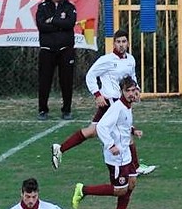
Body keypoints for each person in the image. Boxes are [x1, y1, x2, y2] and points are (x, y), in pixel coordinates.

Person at [50, 29, 156, 175]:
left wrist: (136, 90)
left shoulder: (131, 60)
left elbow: (132, 77)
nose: (121, 45)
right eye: (118, 42)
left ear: (128, 43)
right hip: (111, 102)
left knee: (92, 131)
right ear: (114, 43)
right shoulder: (106, 60)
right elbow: (90, 76)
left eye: (124, 41)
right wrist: (97, 95)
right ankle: (135, 167)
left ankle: (60, 148)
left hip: (118, 103)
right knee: (126, 132)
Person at [71, 75, 142, 209]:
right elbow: (102, 127)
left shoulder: (128, 107)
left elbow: (121, 126)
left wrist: (133, 130)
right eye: (127, 90)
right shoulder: (116, 108)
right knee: (119, 190)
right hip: (116, 156)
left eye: (133, 90)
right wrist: (110, 145)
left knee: (132, 181)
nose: (131, 93)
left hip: (126, 153)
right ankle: (83, 190)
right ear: (121, 91)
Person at [35, 0, 76, 121]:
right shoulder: (43, 6)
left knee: (66, 81)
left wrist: (52, 20)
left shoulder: (69, 6)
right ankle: (42, 110)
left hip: (66, 49)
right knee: (44, 80)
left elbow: (70, 23)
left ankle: (66, 110)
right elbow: (41, 26)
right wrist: (60, 24)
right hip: (47, 49)